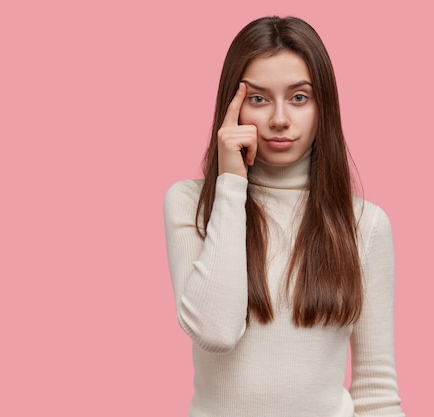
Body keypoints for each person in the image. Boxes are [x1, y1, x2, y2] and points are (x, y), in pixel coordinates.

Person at [164, 16, 405, 417]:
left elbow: (376, 389)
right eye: (258, 99)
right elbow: (216, 331)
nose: (279, 118)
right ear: (232, 106)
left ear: (322, 105)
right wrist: (230, 185)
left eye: (298, 97)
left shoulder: (365, 225)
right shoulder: (192, 204)